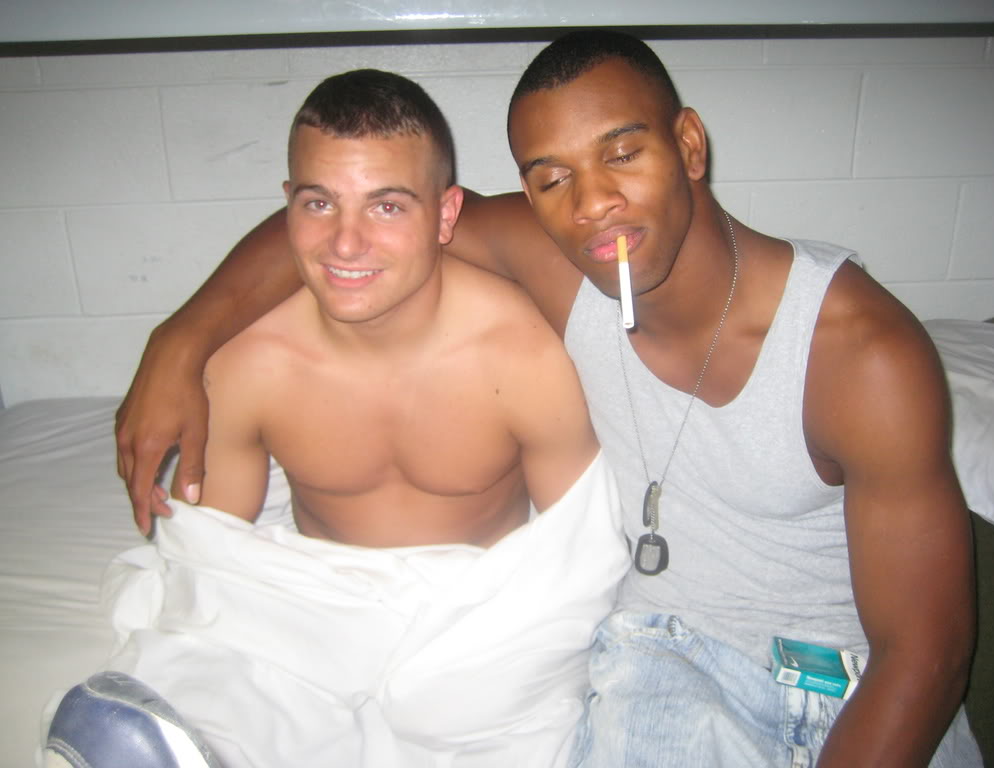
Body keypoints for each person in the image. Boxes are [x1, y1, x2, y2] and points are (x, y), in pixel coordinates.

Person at [114, 31, 982, 767]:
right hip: (666, 659)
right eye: (551, 177)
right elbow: (351, 230)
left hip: (856, 680)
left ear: (689, 145)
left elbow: (927, 653)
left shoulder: (856, 352)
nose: (593, 203)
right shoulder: (564, 271)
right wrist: (179, 341)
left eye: (622, 153)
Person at [44, 69, 630, 768]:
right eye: (320, 203)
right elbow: (215, 561)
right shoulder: (246, 365)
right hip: (312, 603)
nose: (346, 244)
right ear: (288, 204)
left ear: (446, 214)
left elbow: (570, 562)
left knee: (515, 722)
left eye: (387, 207)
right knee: (205, 689)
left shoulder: (527, 358)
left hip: (481, 614)